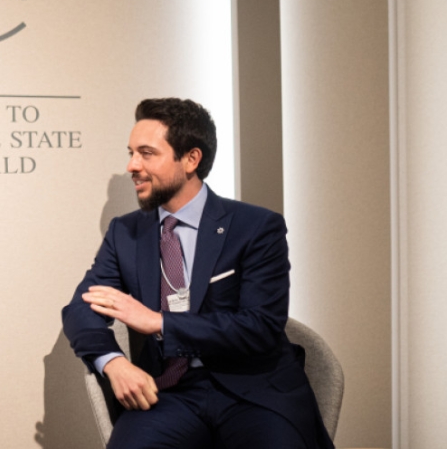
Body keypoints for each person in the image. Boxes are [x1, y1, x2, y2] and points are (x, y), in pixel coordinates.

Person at [62, 98, 334, 448]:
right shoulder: (125, 233)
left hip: (254, 390)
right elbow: (81, 309)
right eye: (131, 153)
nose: (132, 165)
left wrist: (159, 323)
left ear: (191, 159)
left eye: (147, 153)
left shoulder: (256, 226)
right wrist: (114, 363)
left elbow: (260, 326)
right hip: (169, 393)